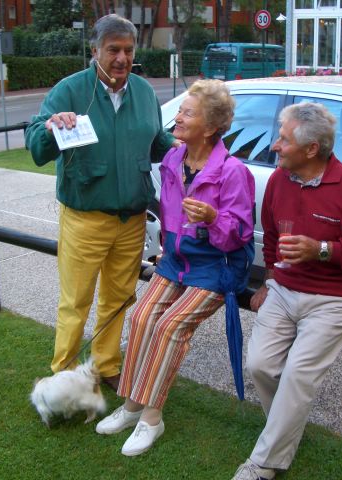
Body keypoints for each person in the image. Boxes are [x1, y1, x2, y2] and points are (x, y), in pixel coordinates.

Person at [95, 79, 255, 456]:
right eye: (180, 110)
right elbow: (170, 216)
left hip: (216, 267)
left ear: (210, 127)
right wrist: (167, 249)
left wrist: (213, 218)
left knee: (169, 326)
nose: (178, 117)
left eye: (188, 113)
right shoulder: (173, 160)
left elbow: (239, 236)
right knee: (141, 318)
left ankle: (152, 417)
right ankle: (131, 406)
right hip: (175, 262)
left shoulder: (233, 171)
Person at [232, 102, 342, 480]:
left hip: (335, 298)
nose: (274, 146)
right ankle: (285, 431)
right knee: (260, 365)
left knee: (298, 375)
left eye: (283, 140)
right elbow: (271, 236)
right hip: (284, 289)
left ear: (312, 148)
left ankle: (262, 464)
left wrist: (322, 249)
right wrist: (269, 278)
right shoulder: (279, 180)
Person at [24, 14, 176, 391]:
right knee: (76, 301)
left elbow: (158, 143)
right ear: (95, 51)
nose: (122, 58)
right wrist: (50, 127)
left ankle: (107, 365)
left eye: (128, 50)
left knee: (119, 298)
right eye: (113, 50)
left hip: (132, 220)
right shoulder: (70, 90)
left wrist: (187, 148)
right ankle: (64, 375)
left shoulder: (144, 93)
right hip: (85, 219)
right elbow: (36, 146)